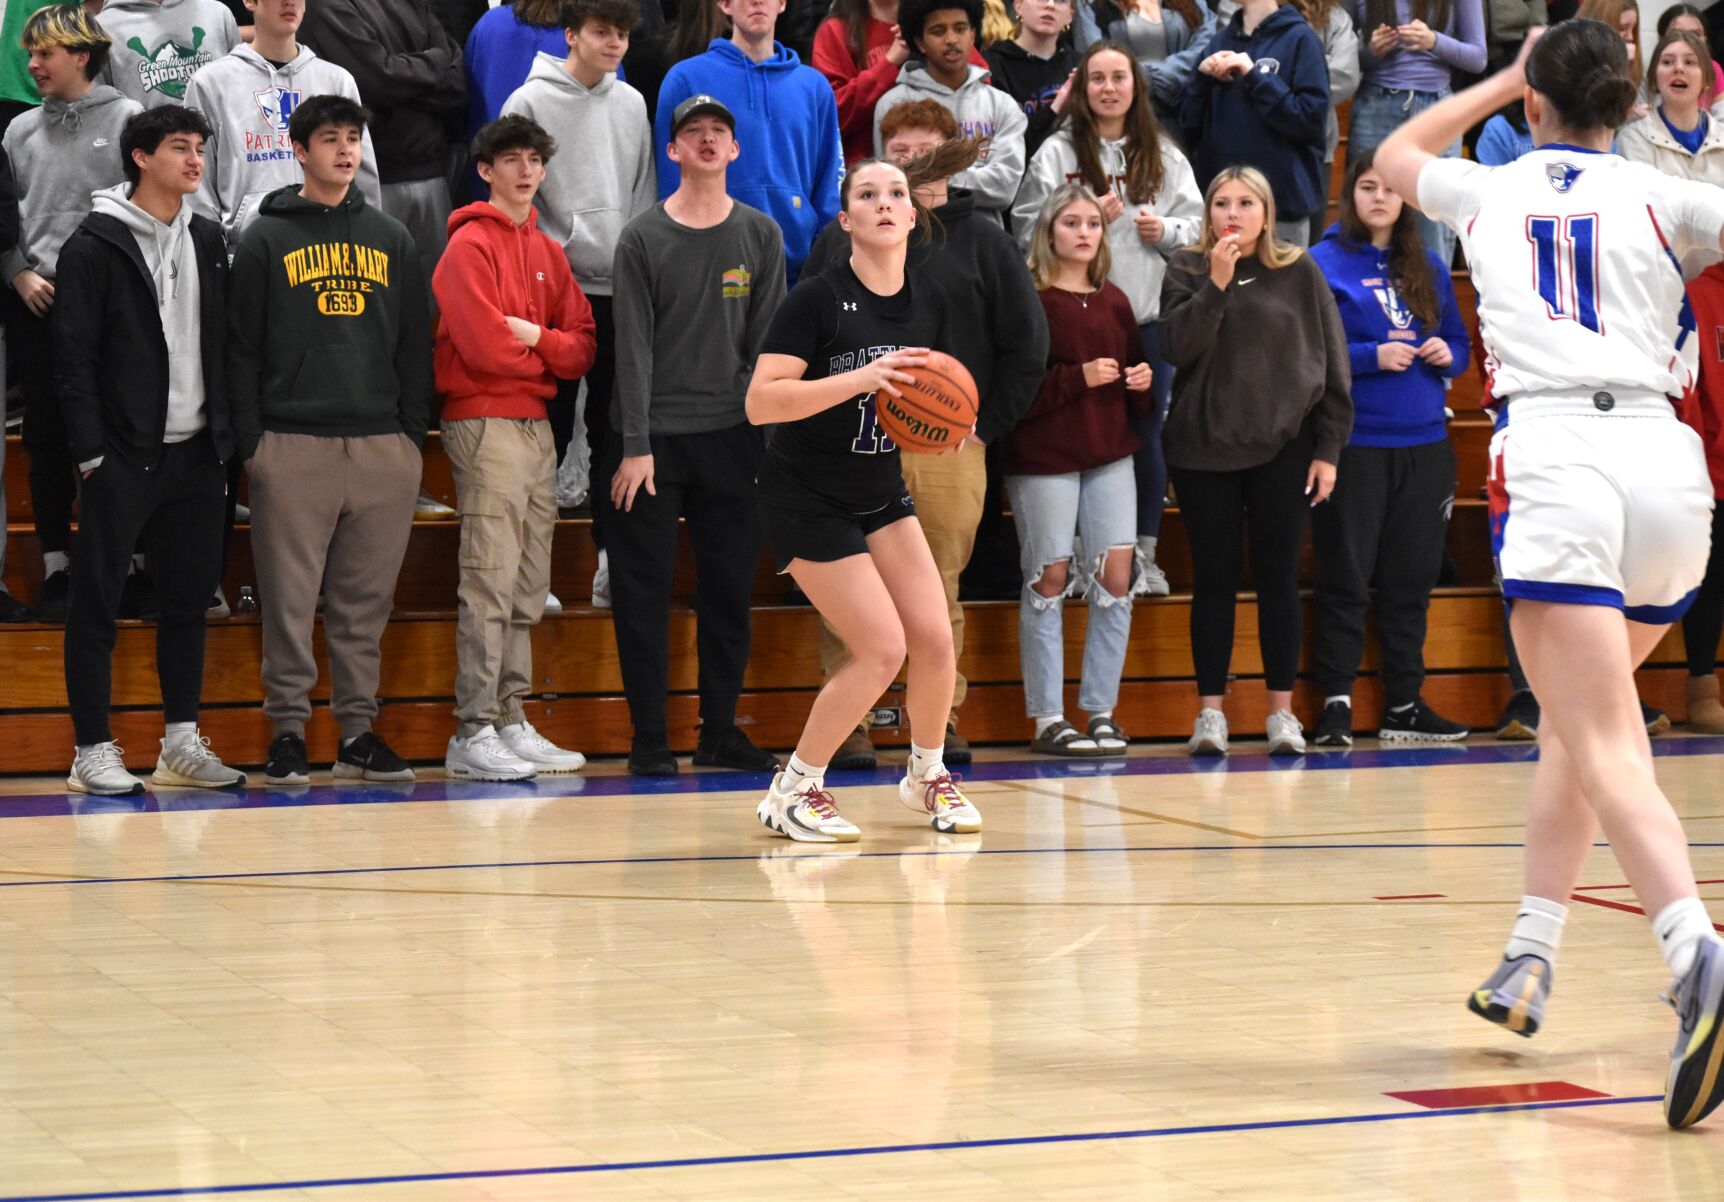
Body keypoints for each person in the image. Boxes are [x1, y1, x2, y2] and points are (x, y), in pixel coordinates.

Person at [1375, 17, 1724, 1128]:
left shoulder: (1489, 191)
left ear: (1532, 104)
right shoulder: (1668, 199)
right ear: (1625, 106)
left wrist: (1496, 79)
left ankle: (1693, 954)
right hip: (1668, 476)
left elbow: (1386, 156)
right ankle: (1528, 954)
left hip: (1560, 464)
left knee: (1605, 739)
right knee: (1575, 727)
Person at [746, 156, 984, 841]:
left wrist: (943, 426)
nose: (884, 203)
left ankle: (926, 774)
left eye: (897, 195)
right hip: (805, 495)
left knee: (935, 640)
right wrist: (858, 381)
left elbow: (924, 402)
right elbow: (762, 403)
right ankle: (795, 788)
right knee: (881, 650)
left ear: (913, 217)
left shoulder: (929, 301)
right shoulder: (815, 300)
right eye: (867, 194)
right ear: (846, 219)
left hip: (880, 488)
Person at [804, 100, 1047, 770]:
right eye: (897, 151)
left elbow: (1028, 345)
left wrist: (982, 427)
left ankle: (937, 724)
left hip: (947, 447)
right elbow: (808, 336)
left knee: (937, 586)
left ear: (948, 156)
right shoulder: (840, 238)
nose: (909, 163)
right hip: (855, 440)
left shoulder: (984, 240)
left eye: (923, 151)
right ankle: (853, 722)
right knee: (848, 585)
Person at [228, 94, 431, 786]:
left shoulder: (392, 237)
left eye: (352, 138)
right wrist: (254, 445)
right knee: (286, 602)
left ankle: (357, 732)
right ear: (300, 149)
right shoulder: (265, 238)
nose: (344, 150)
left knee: (365, 604)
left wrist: (409, 439)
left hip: (380, 446)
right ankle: (287, 730)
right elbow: (241, 349)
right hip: (293, 444)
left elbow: (414, 347)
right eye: (329, 139)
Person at [57, 104, 244, 794]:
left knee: (188, 603)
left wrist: (226, 437)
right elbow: (72, 363)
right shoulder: (94, 246)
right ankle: (91, 749)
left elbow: (223, 342)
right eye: (178, 147)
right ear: (141, 158)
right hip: (120, 456)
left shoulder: (206, 238)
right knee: (96, 603)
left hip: (197, 453)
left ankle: (180, 742)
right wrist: (91, 455)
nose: (194, 160)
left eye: (200, 148)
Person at [604, 94, 785, 775]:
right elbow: (634, 349)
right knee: (641, 590)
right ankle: (649, 734)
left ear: (735, 150)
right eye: (693, 133)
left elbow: (766, 347)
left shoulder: (761, 235)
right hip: (653, 442)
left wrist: (755, 433)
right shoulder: (642, 238)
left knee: (729, 590)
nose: (707, 141)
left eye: (719, 132)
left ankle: (718, 731)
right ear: (672, 150)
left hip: (733, 438)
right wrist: (635, 444)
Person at [1159, 165, 1351, 755]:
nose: (1233, 213)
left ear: (1267, 213)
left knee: (1277, 581)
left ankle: (1282, 714)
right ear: (1207, 213)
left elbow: (1331, 362)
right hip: (1202, 449)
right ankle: (1211, 714)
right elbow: (1175, 347)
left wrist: (1328, 448)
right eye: (1222, 202)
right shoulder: (1186, 268)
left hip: (1284, 448)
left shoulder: (1298, 269)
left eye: (1247, 202)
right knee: (1213, 582)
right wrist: (1216, 284)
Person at [436, 115, 597, 781]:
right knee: (490, 578)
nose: (526, 170)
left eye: (535, 159)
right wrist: (545, 357)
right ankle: (471, 728)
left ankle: (510, 714)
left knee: (530, 582)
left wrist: (537, 340)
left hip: (536, 429)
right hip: (484, 423)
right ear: (486, 168)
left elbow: (583, 344)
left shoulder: (550, 252)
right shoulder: (468, 247)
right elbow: (481, 347)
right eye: (512, 159)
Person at [1014, 41, 1202, 596]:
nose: (1109, 88)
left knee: (1144, 437)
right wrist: (1084, 213)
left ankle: (1141, 554)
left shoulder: (1165, 156)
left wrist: (1165, 231)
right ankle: (1073, 557)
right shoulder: (1056, 153)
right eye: (1097, 78)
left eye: (1119, 77)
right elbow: (1025, 229)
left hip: (1141, 319)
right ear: (1083, 88)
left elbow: (1199, 233)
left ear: (1135, 87)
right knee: (1072, 436)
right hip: (1069, 318)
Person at [1308, 151, 1469, 747]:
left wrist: (1445, 356)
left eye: (1390, 189)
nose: (1379, 198)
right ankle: (1336, 706)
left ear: (1406, 200)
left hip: (1425, 444)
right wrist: (1372, 358)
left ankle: (1404, 703)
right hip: (1356, 445)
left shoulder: (1425, 263)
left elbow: (1458, 341)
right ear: (1350, 195)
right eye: (1368, 187)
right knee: (1345, 578)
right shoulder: (1321, 264)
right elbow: (1311, 358)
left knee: (1411, 581)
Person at [503, 0, 654, 606]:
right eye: (601, 32)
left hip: (620, 292)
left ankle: (611, 565)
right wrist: (548, 266)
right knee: (549, 432)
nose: (613, 43)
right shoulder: (528, 101)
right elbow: (516, 192)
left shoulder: (633, 103)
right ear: (572, 35)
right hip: (554, 293)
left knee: (616, 434)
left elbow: (643, 191)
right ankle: (527, 574)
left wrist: (637, 269)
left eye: (621, 33)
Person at [4, 5, 142, 622]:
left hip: (109, 306)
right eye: (31, 54)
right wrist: (17, 270)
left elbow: (146, 211)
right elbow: (6, 216)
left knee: (118, 432)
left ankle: (125, 564)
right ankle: (58, 565)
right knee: (47, 436)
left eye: (45, 54)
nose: (32, 64)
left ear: (81, 56)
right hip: (38, 303)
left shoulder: (127, 120)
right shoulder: (17, 132)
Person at [1010, 184, 1151, 754]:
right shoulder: (1032, 298)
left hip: (1110, 455)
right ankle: (1047, 716)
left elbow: (1134, 378)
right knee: (1048, 578)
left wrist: (1141, 382)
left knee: (1117, 578)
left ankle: (1100, 709)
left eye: (1093, 223)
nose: (1084, 232)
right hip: (1045, 458)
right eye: (1071, 222)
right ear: (1049, 232)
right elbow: (1016, 390)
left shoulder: (1115, 300)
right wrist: (1074, 378)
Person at [653, 0, 843, 282]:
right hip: (710, 268)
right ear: (725, 5)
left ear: (781, 4)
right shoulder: (685, 78)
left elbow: (829, 182)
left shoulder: (814, 87)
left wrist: (826, 259)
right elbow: (670, 181)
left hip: (799, 272)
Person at [184, 0, 382, 257]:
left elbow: (363, 179)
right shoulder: (210, 83)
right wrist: (215, 259)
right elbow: (197, 187)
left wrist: (363, 246)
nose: (290, 2)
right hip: (246, 254)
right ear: (249, 2)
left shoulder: (336, 80)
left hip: (329, 252)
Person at [297, 0, 468, 295]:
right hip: (372, 182)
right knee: (375, 302)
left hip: (434, 177)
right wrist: (430, 65)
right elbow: (374, 82)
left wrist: (396, 83)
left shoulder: (416, 5)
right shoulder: (327, 7)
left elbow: (456, 85)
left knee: (440, 308)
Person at [1178, 0, 1329, 247]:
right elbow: (1189, 125)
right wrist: (1200, 80)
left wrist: (1255, 77)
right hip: (1225, 210)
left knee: (1282, 286)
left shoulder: (1301, 39)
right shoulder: (1219, 42)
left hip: (1281, 211)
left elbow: (1309, 121)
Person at [1348, 0, 1486, 269]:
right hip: (1375, 104)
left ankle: (1432, 305)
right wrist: (1372, 50)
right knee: (1366, 213)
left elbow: (1478, 57)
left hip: (1436, 108)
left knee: (1434, 219)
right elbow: (1343, 57)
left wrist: (1434, 41)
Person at [872, 0, 1027, 219]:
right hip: (914, 237)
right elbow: (890, 184)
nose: (952, 39)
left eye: (960, 29)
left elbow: (1004, 188)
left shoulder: (1001, 105)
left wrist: (933, 175)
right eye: (938, 31)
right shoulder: (892, 104)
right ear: (920, 42)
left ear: (973, 35)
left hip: (982, 241)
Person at [813, 0, 987, 163]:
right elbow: (831, 115)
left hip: (944, 169)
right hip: (866, 171)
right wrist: (888, 64)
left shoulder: (939, 22)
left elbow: (981, 86)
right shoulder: (836, 29)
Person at [1618, 28, 1724, 275]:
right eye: (1667, 62)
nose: (1679, 68)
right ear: (1654, 79)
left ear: (1707, 78)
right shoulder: (1633, 139)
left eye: (1690, 62)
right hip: (1667, 291)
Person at [1680, 261, 1724, 732]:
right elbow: (1689, 390)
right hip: (1714, 471)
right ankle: (1702, 688)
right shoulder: (1698, 294)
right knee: (1710, 586)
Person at [1073, 0, 1216, 128]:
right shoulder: (1092, 4)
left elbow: (1205, 46)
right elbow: (1095, 58)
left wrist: (1150, 77)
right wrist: (1137, 78)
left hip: (1183, 108)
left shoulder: (1195, 3)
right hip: (1123, 114)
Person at [96, 0, 241, 109]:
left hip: (222, 146)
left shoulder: (217, 13)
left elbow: (240, 93)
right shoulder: (102, 29)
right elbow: (104, 118)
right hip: (146, 145)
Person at [984, 0, 1079, 163]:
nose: (1050, 5)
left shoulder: (1081, 64)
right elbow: (1002, 146)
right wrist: (1056, 107)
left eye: (1061, 1)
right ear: (1018, 6)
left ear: (1070, 16)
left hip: (1071, 171)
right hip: (1015, 176)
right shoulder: (993, 64)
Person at [465, 0, 569, 136]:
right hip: (557, 146)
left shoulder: (489, 23)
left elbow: (465, 91)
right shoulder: (580, 36)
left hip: (490, 146)